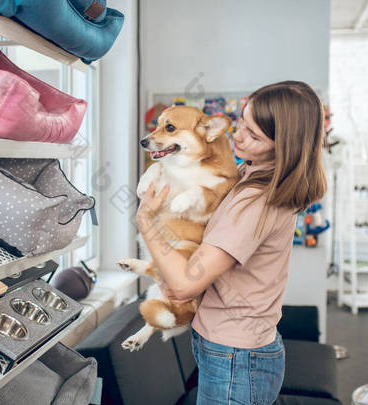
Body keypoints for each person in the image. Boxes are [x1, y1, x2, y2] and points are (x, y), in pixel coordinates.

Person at [136, 81, 327, 405]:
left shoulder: (255, 201)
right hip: (232, 347)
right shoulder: (246, 172)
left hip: (236, 357)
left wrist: (144, 221)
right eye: (241, 123)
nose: (237, 136)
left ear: (282, 147)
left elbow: (184, 284)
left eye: (253, 136)